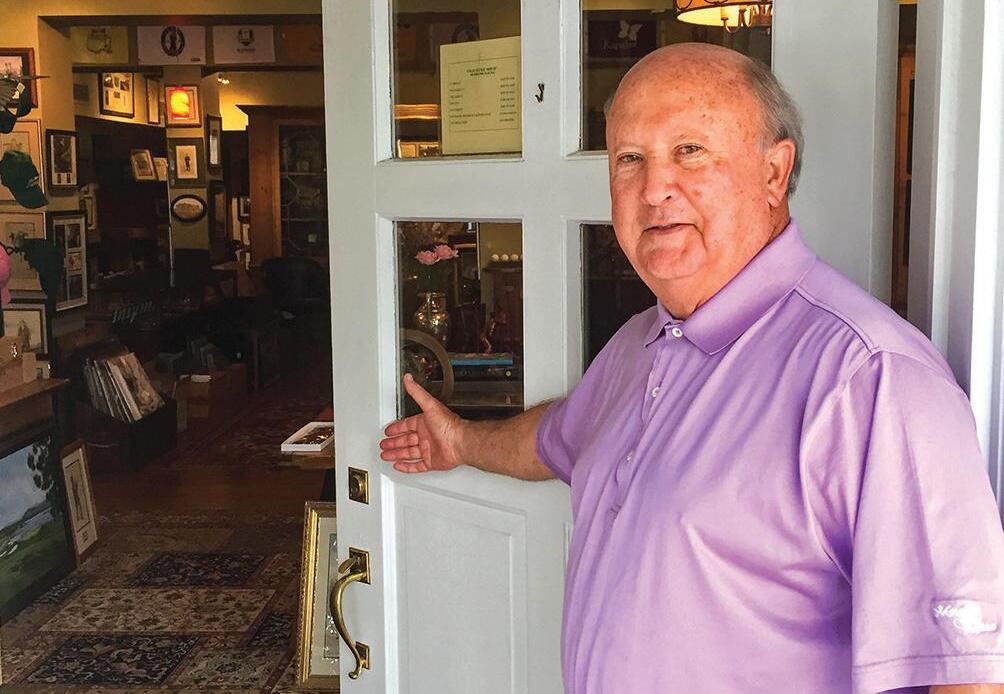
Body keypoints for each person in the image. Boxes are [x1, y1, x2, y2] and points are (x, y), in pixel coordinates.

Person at [379, 43, 1004, 693]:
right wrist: (460, 441)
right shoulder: (639, 344)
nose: (654, 189)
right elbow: (556, 438)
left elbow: (970, 676)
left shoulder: (874, 378)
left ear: (773, 172)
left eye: (690, 150)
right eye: (630, 159)